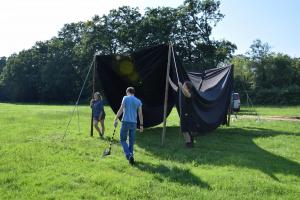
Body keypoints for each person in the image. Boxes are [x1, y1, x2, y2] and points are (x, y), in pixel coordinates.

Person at [114, 87, 143, 165]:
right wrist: (141, 125)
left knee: (122, 140)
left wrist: (116, 118)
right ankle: (131, 157)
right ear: (134, 92)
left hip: (125, 122)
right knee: (131, 141)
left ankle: (129, 155)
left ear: (128, 92)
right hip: (134, 123)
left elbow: (121, 109)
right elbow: (140, 114)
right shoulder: (138, 101)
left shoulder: (125, 98)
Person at [178, 81, 195, 148]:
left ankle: (189, 143)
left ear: (187, 87)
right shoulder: (183, 92)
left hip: (188, 114)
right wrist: (169, 80)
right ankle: (189, 143)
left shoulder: (190, 93)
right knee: (184, 129)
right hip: (184, 114)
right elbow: (175, 88)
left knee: (185, 129)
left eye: (184, 85)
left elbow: (187, 94)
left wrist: (181, 87)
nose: (183, 85)